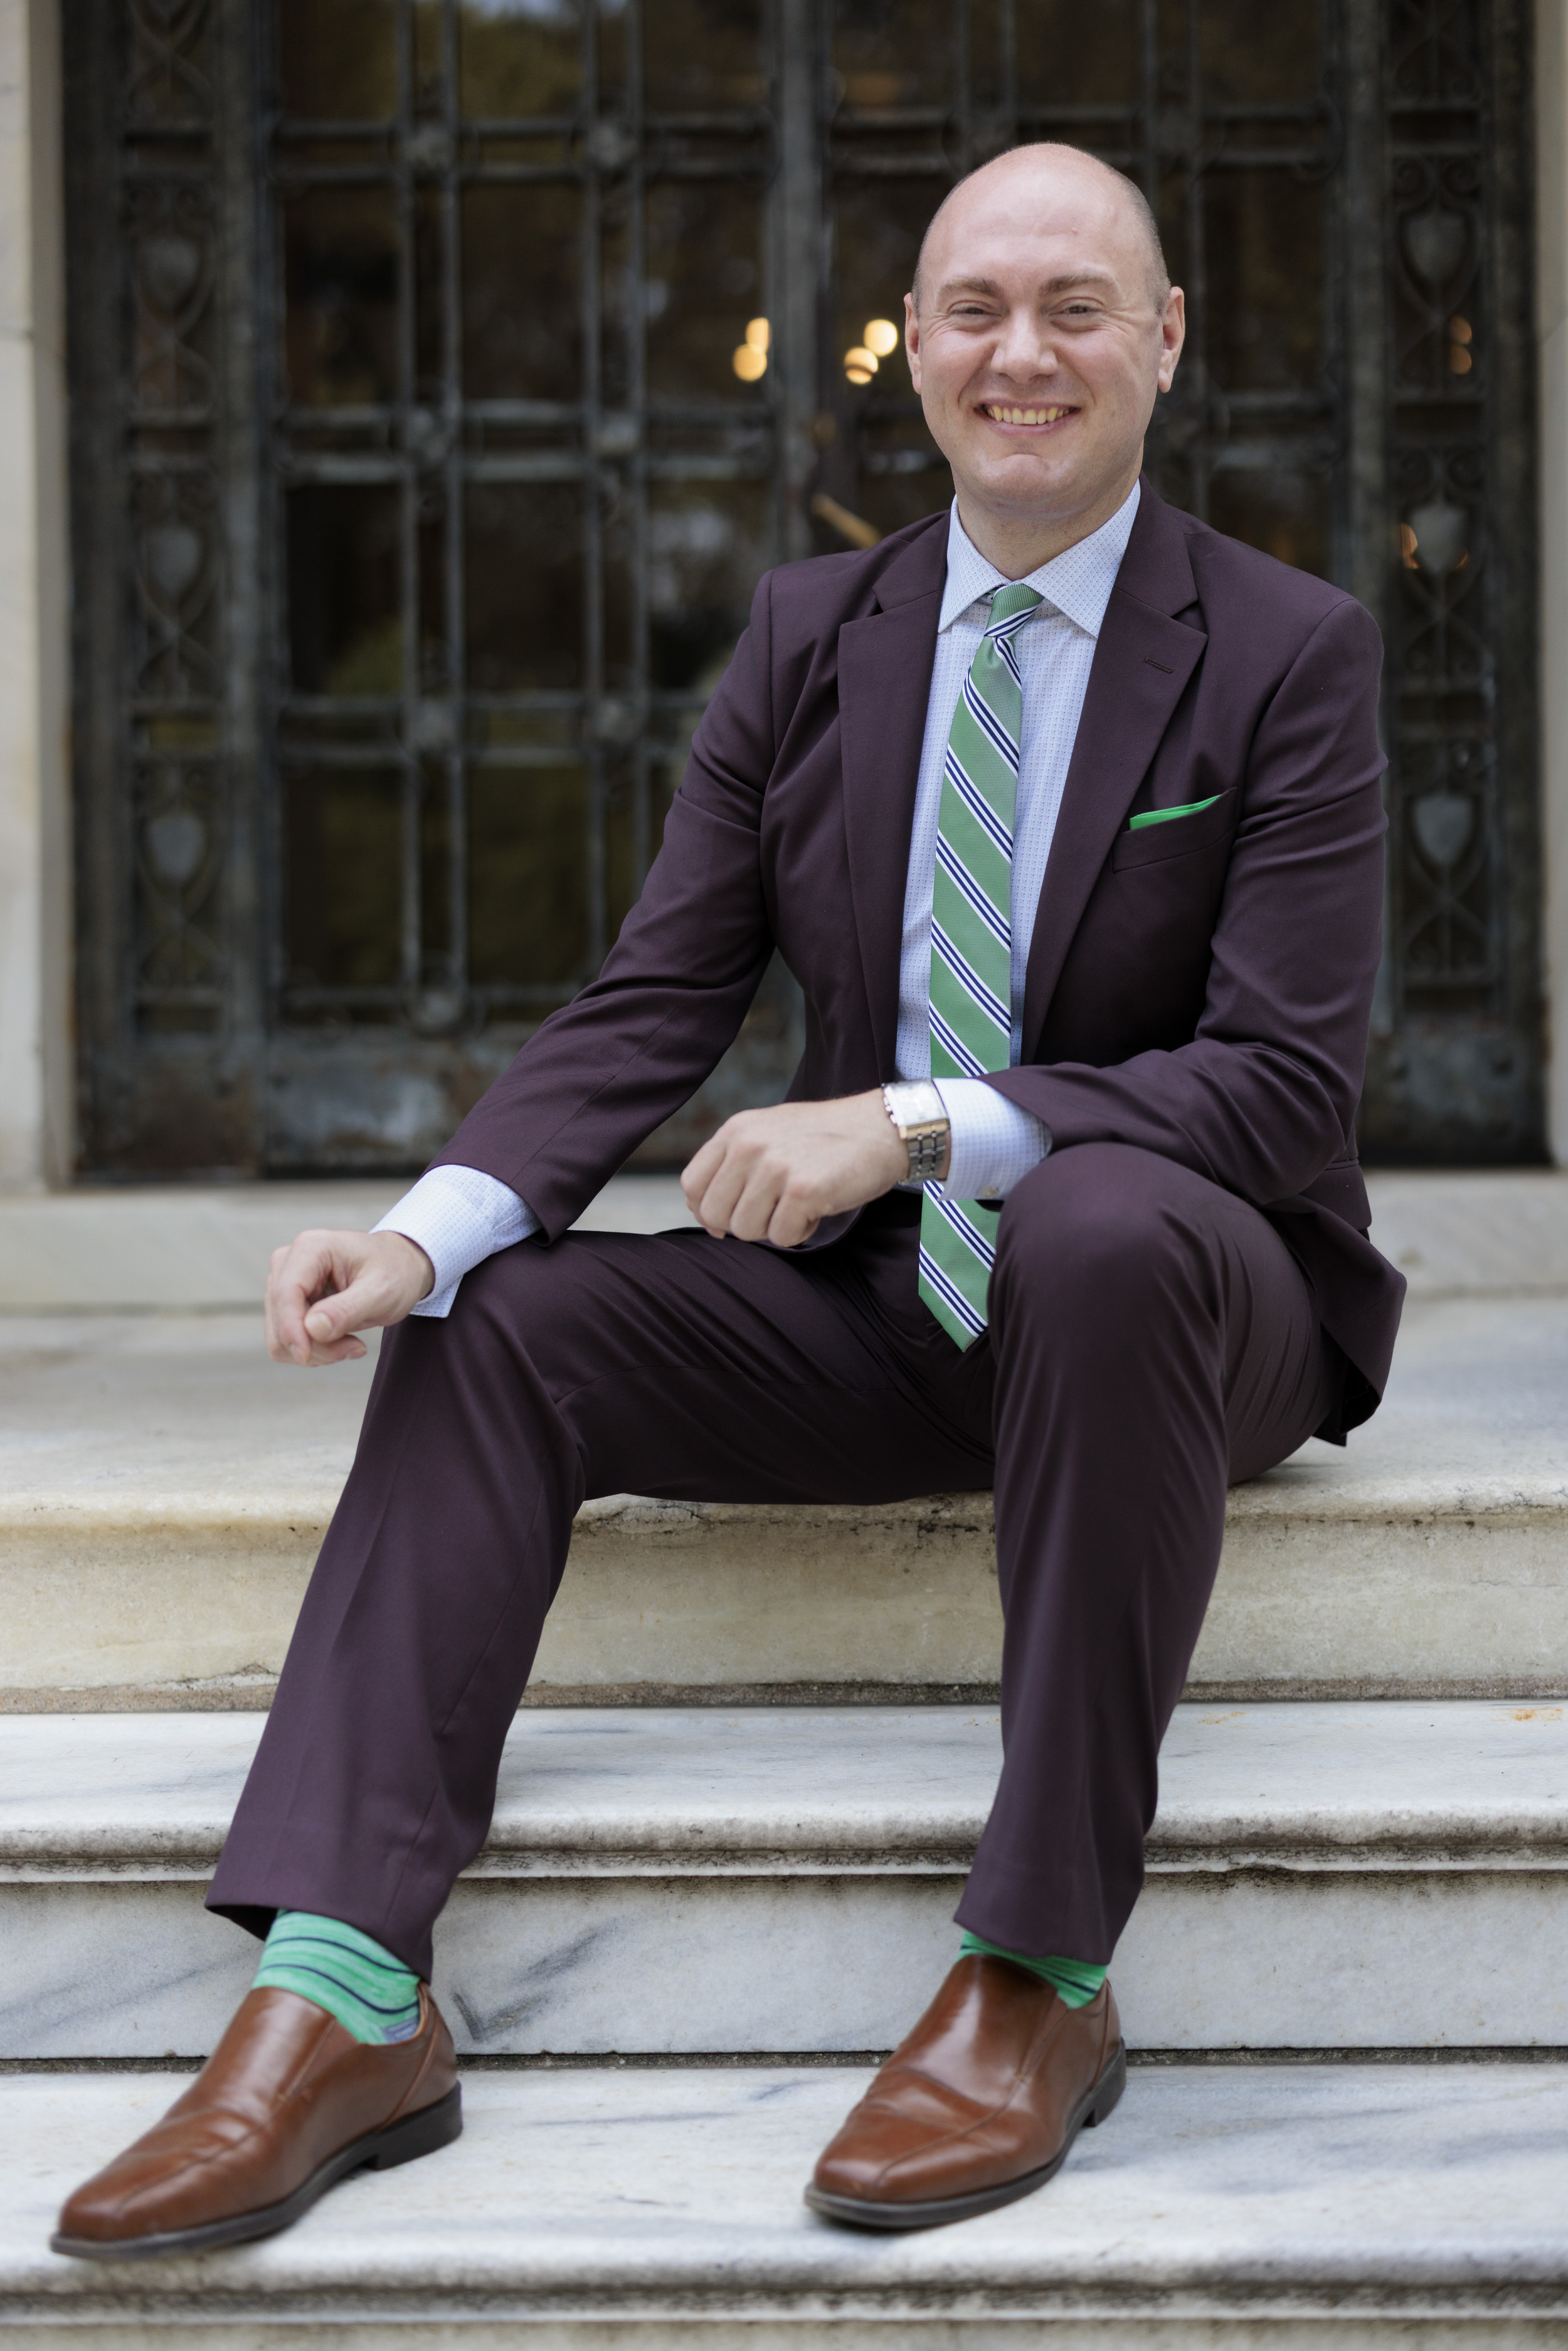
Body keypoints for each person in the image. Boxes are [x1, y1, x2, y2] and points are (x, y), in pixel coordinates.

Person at [53, 141, 1403, 2258]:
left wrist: (918, 1121)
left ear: (1160, 343)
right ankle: (340, 1998)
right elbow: (656, 989)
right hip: (884, 1318)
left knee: (1099, 1218)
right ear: (915, 352)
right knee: (495, 1325)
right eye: (972, 309)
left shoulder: (1285, 648)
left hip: (1175, 1310)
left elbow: (1281, 1081)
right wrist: (426, 1227)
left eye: (1073, 308)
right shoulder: (813, 631)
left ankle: (1036, 1978)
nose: (1017, 353)